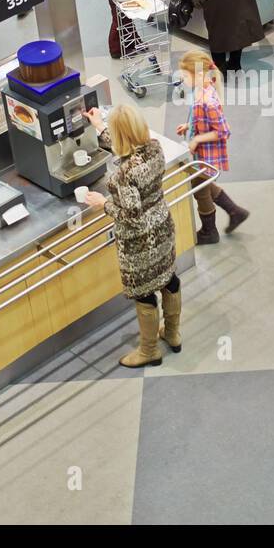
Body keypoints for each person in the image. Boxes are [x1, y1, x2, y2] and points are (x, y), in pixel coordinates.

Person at [81, 105, 181, 368]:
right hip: (163, 228)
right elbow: (128, 148)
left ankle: (149, 351)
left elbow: (131, 215)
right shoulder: (154, 148)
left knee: (144, 293)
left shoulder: (123, 176)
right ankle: (172, 333)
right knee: (169, 279)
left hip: (140, 245)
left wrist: (103, 204)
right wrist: (100, 127)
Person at [175, 50, 249, 243]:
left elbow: (223, 131)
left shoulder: (209, 100)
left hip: (207, 154)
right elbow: (202, 119)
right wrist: (189, 126)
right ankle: (234, 211)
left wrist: (197, 140)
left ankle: (209, 232)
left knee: (200, 190)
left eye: (184, 76)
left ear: (199, 74)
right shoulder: (201, 91)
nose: (182, 80)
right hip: (201, 153)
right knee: (202, 184)